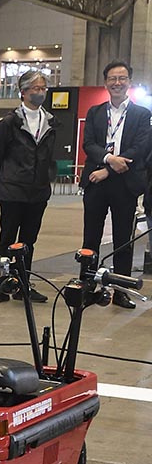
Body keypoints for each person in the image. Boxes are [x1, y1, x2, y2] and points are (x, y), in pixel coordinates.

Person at [81, 60, 151, 308]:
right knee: (91, 237)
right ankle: (86, 286)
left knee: (123, 240)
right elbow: (89, 144)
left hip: (125, 184)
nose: (117, 83)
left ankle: (121, 290)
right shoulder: (95, 112)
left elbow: (140, 149)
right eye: (112, 78)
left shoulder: (142, 115)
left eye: (122, 78)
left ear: (129, 82)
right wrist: (110, 159)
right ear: (105, 82)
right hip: (95, 182)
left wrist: (108, 171)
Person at [0, 70, 57, 303]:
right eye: (36, 88)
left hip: (38, 192)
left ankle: (23, 284)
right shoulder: (9, 123)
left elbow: (49, 156)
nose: (40, 93)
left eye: (43, 88)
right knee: (6, 240)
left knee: (28, 242)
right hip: (12, 191)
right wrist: (8, 178)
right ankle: (2, 284)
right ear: (23, 92)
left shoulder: (50, 122)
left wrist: (46, 178)